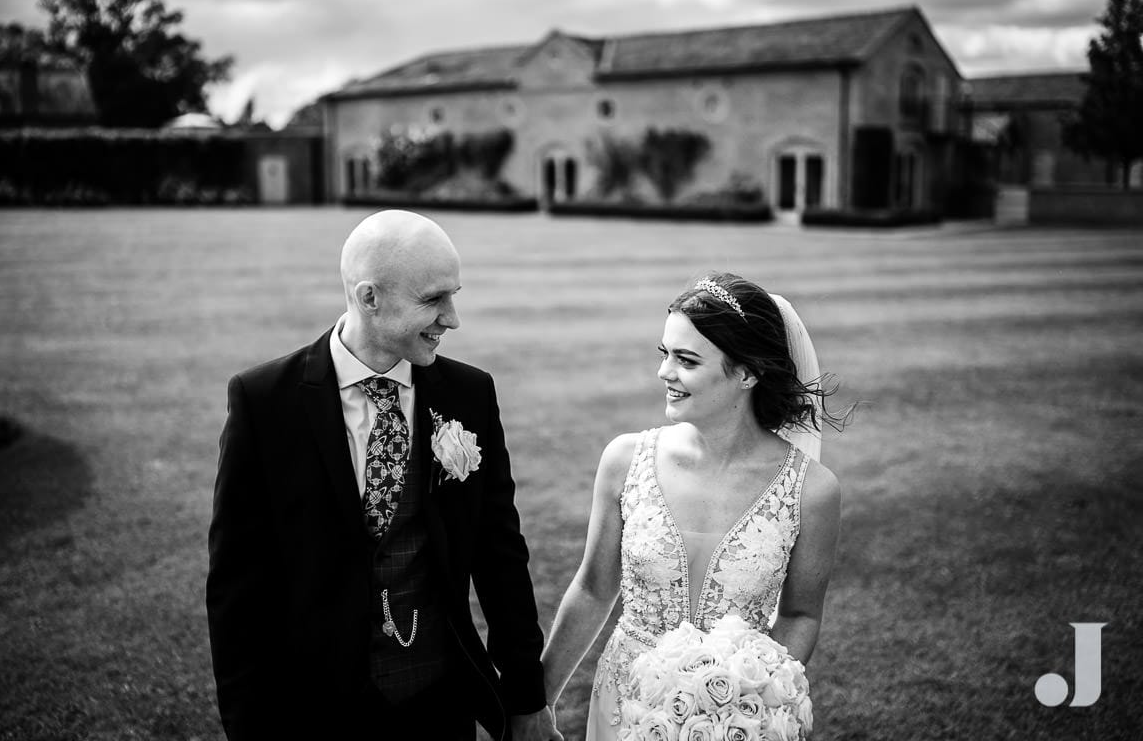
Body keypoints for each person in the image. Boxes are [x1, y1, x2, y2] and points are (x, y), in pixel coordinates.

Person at [206, 210, 561, 741]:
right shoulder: (265, 403)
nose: (453, 318)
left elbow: (500, 555)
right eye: (433, 299)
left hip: (438, 704)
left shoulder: (468, 394)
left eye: (454, 295)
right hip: (311, 710)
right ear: (369, 298)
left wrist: (528, 699)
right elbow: (237, 590)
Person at [540, 274, 844, 739]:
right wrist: (534, 703)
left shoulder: (811, 490)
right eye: (665, 354)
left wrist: (749, 699)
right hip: (624, 703)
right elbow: (594, 589)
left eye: (686, 360)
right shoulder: (625, 460)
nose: (665, 372)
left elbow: (801, 616)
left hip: (737, 719)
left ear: (746, 373)